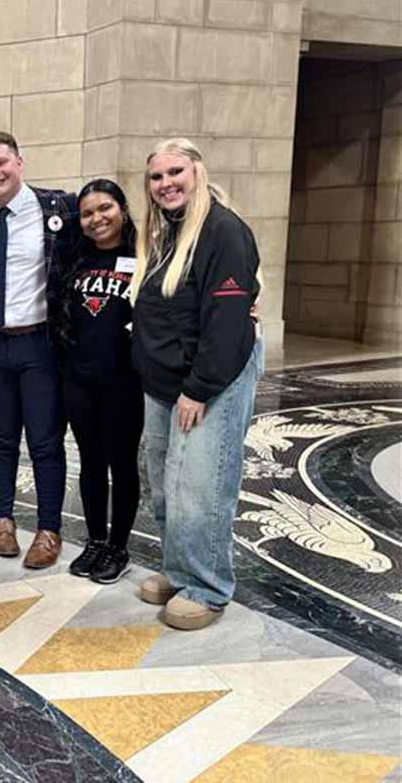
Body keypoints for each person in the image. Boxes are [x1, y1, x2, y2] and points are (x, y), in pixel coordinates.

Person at [132, 138, 263, 631]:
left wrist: (200, 388)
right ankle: (180, 570)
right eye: (156, 176)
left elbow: (227, 320)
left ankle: (207, 588)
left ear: (198, 172)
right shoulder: (163, 233)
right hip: (164, 381)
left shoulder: (223, 231)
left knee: (201, 486)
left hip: (211, 378)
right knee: (166, 486)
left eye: (175, 172)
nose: (165, 184)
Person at [0, 131, 80, 569]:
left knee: (46, 442)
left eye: (1, 163)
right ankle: (3, 521)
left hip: (40, 344)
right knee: (0, 439)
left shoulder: (59, 208)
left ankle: (48, 529)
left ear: (20, 162)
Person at [58, 180, 142, 584]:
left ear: (123, 210)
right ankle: (95, 540)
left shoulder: (145, 259)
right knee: (90, 463)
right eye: (88, 213)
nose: (96, 219)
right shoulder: (76, 260)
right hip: (79, 379)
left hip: (124, 382)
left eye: (104, 208)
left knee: (122, 465)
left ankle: (118, 546)